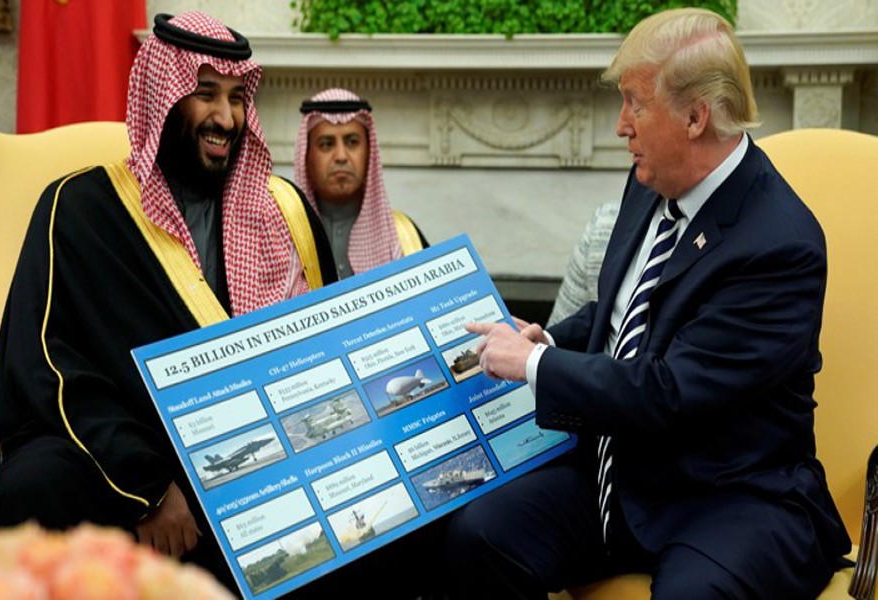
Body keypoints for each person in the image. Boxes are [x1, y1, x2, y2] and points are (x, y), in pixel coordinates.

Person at [450, 8, 851, 599]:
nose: (620, 126)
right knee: (476, 534)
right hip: (621, 475)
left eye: (635, 103)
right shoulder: (651, 183)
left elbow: (669, 391)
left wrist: (533, 367)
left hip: (729, 494)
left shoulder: (780, 243)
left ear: (695, 117)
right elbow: (623, 316)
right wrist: (548, 339)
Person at [0, 12, 337, 591]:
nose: (226, 118)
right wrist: (148, 486)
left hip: (246, 467)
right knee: (33, 486)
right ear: (162, 96)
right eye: (205, 94)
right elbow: (48, 370)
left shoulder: (281, 216)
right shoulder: (81, 210)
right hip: (117, 463)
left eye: (237, 97)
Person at [293, 87, 427, 280]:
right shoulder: (284, 238)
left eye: (352, 142)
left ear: (369, 153)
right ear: (306, 157)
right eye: (326, 144)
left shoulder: (405, 237)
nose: (341, 156)